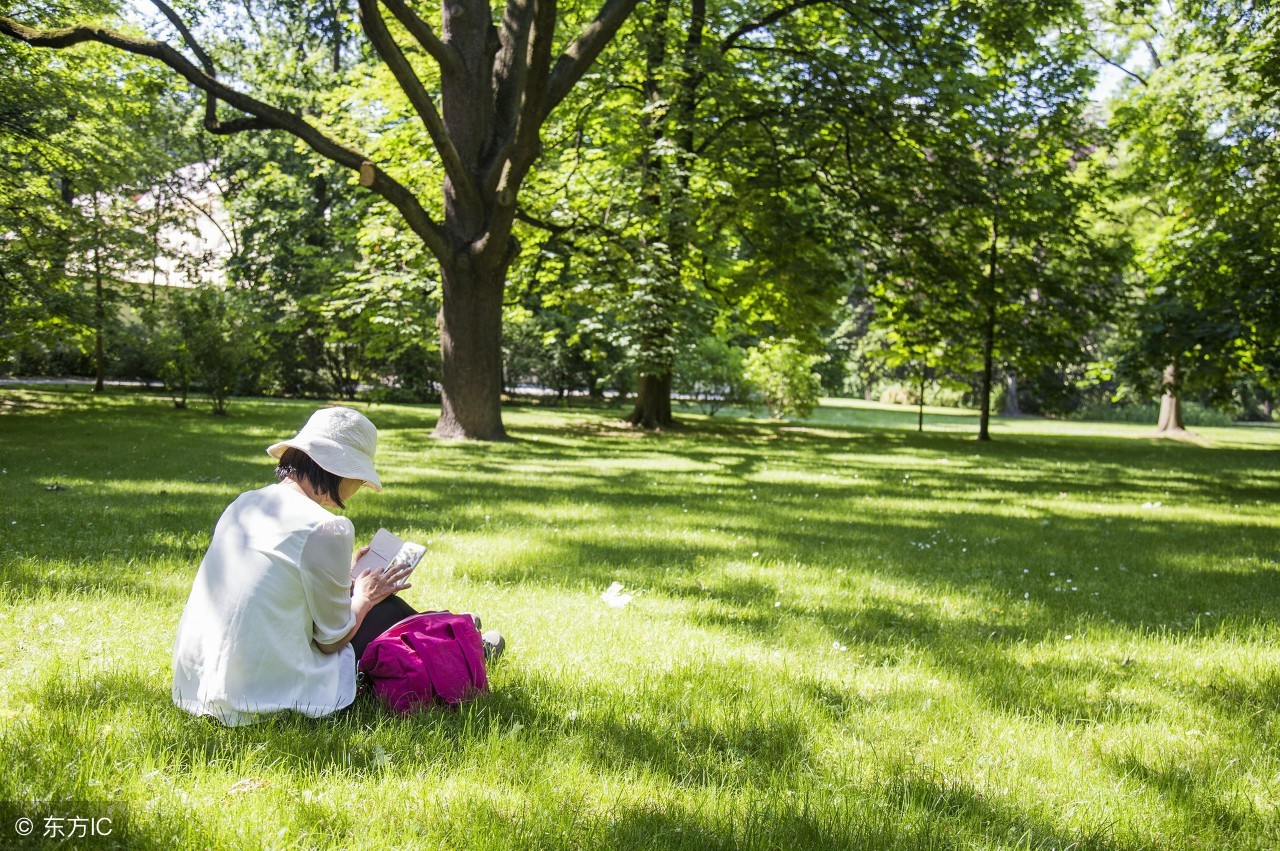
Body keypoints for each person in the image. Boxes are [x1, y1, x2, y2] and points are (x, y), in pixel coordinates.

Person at [171, 406, 498, 726]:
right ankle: (455, 640)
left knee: (370, 596)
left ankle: (452, 633)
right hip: (263, 690)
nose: (358, 488)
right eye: (358, 478)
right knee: (382, 606)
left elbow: (281, 583)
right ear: (339, 470)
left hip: (200, 684)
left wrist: (347, 575)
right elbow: (331, 639)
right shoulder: (326, 526)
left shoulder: (245, 503)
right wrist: (365, 596)